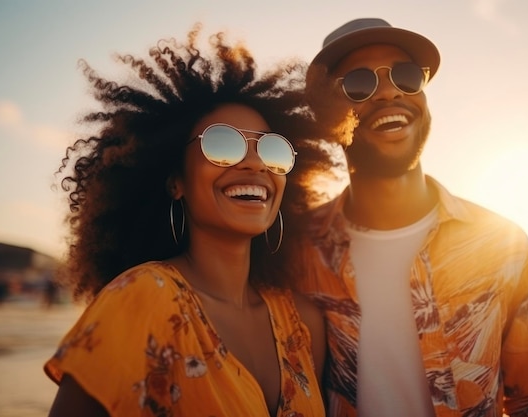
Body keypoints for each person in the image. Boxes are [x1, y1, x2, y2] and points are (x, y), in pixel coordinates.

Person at [44, 23, 353, 417]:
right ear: (176, 182)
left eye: (272, 150)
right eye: (222, 144)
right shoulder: (139, 300)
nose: (256, 163)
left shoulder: (303, 323)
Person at [285, 18, 528, 417]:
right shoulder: (294, 248)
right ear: (325, 114)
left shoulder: (501, 245)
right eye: (358, 83)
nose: (389, 91)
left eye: (406, 76)